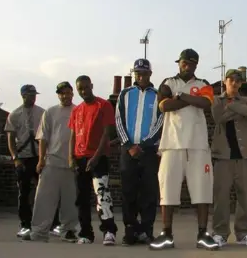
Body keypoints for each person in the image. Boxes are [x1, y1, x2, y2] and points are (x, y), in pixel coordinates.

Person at [149, 49, 219, 250]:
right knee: (168, 191)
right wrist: (188, 99)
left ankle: (203, 234)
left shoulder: (203, 84)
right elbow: (164, 106)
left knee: (202, 190)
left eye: (190, 63)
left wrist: (180, 97)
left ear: (196, 65)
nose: (186, 66)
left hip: (198, 145)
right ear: (178, 63)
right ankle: (166, 234)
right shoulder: (168, 83)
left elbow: (205, 103)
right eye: (183, 62)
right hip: (171, 145)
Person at [22, 82, 78, 242]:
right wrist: (41, 160)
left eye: (68, 93)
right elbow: (43, 138)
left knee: (70, 200)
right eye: (62, 93)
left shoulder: (77, 111)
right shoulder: (50, 112)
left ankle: (68, 231)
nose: (66, 96)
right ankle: (39, 231)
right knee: (44, 199)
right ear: (58, 95)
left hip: (70, 163)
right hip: (51, 161)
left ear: (72, 94)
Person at [115, 58, 163, 245]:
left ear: (150, 74)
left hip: (148, 151)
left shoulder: (158, 94)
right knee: (128, 191)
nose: (141, 76)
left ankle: (146, 230)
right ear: (134, 74)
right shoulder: (125, 94)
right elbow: (119, 120)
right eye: (138, 73)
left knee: (149, 192)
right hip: (128, 151)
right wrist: (128, 145)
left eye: (144, 73)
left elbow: (160, 122)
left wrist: (142, 146)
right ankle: (130, 230)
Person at [210, 69, 247, 247]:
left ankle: (244, 233)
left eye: (238, 80)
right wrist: (240, 110)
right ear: (225, 81)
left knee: (245, 197)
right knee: (221, 197)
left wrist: (231, 106)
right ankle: (220, 233)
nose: (235, 83)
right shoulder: (216, 99)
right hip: (223, 157)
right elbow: (218, 117)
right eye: (232, 79)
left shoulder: (246, 100)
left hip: (245, 157)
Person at [4, 84, 60, 238]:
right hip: (23, 157)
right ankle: (25, 225)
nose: (33, 97)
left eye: (34, 95)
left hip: (40, 156)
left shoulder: (42, 113)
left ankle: (53, 224)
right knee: (24, 192)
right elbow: (10, 138)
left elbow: (50, 134)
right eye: (30, 95)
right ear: (23, 95)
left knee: (48, 192)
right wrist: (15, 158)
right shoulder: (14, 115)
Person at [68, 75, 118, 245]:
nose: (83, 91)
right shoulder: (76, 110)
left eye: (86, 87)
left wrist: (96, 157)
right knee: (81, 198)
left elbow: (107, 132)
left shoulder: (103, 105)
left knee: (102, 194)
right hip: (80, 158)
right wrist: (71, 158)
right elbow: (73, 135)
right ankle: (86, 233)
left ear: (91, 86)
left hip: (99, 157)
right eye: (80, 89)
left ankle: (109, 231)